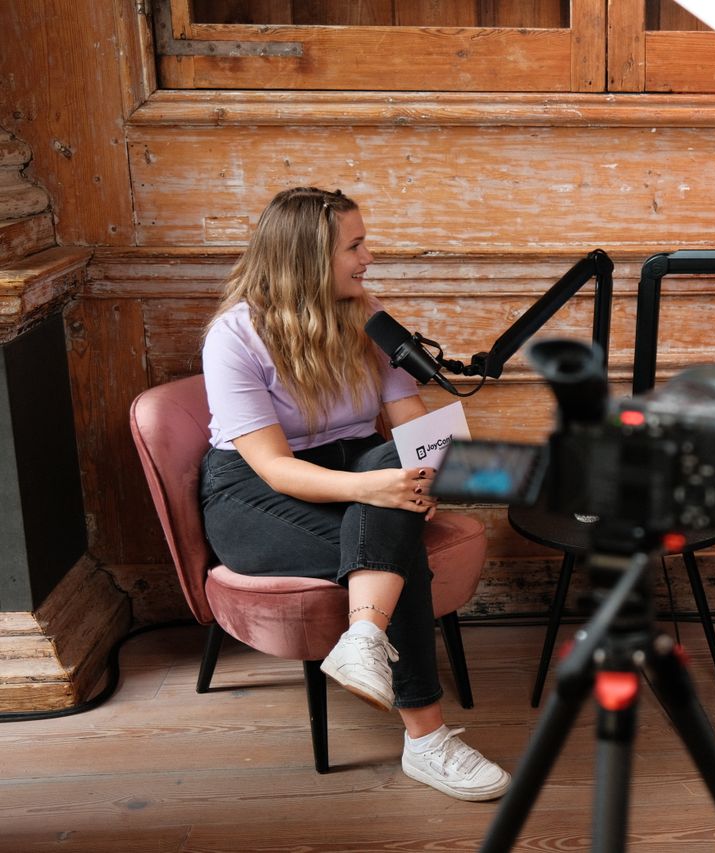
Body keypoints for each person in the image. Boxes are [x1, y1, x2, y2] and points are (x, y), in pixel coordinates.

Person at [198, 186, 511, 800]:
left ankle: (363, 641)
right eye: (355, 246)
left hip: (352, 471)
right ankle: (426, 740)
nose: (368, 259)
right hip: (252, 491)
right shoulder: (233, 337)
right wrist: (381, 486)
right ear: (309, 258)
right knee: (398, 552)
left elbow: (415, 424)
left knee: (403, 465)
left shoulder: (368, 319)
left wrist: (423, 470)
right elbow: (276, 468)